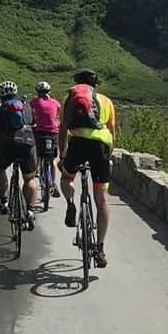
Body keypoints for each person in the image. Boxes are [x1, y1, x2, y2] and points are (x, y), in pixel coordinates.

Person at [59, 69, 117, 268]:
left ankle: (71, 203)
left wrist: (62, 155)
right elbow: (111, 131)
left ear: (77, 84)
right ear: (95, 84)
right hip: (100, 147)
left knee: (66, 178)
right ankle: (100, 248)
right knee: (101, 198)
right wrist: (108, 153)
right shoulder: (106, 101)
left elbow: (63, 128)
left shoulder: (70, 99)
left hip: (77, 145)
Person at [0, 80, 40, 229]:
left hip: (7, 145)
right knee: (30, 178)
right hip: (27, 144)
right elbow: (35, 126)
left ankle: (4, 202)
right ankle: (30, 211)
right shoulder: (27, 107)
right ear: (16, 93)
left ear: (1, 96)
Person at [29, 81, 62, 200]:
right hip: (54, 132)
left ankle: (36, 170)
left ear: (38, 92)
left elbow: (31, 117)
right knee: (52, 159)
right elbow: (56, 116)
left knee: (37, 152)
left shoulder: (34, 102)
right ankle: (53, 183)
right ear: (49, 92)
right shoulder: (56, 103)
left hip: (40, 132)